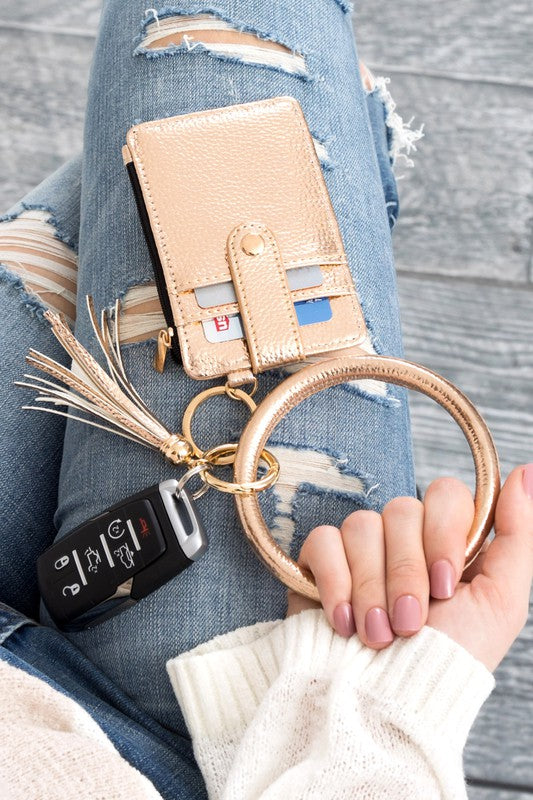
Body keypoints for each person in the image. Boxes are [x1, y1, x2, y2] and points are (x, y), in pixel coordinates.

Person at [0, 1, 531, 797]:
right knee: (236, 59)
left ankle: (352, 139)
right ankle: (353, 143)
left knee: (208, 124)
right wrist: (384, 711)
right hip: (227, 725)